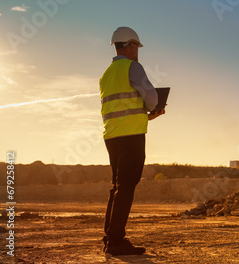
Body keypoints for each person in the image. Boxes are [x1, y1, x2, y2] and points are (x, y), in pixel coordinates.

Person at [99, 26, 165, 256]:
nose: (137, 50)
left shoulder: (106, 75)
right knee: (126, 187)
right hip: (131, 137)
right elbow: (151, 97)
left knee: (117, 187)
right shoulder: (133, 68)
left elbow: (120, 109)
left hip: (112, 136)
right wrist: (153, 108)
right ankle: (116, 241)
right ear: (130, 45)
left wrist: (147, 116)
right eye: (136, 46)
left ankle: (110, 238)